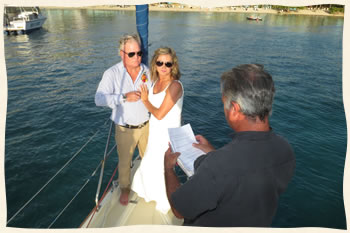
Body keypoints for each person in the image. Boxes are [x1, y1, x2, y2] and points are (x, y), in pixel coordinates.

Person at [164, 64, 295, 227]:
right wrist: (213, 152)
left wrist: (168, 169)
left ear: (234, 109)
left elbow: (179, 210)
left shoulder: (218, 166)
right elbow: (247, 174)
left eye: (224, 102)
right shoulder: (285, 150)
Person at [95, 33, 152, 206]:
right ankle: (125, 189)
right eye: (132, 54)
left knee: (149, 158)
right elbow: (98, 99)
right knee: (125, 162)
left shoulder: (147, 71)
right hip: (124, 128)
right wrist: (123, 97)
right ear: (122, 54)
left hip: (147, 125)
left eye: (139, 53)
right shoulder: (111, 74)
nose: (137, 57)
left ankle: (150, 185)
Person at [131, 47, 184, 214]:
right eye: (160, 62)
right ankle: (149, 195)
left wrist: (145, 101)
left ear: (173, 65)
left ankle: (167, 205)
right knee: (149, 164)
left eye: (168, 63)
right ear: (155, 63)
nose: (163, 66)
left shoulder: (175, 86)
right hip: (154, 133)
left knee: (163, 170)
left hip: (166, 136)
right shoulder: (154, 83)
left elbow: (160, 114)